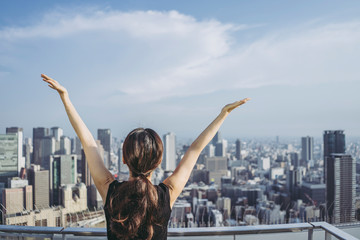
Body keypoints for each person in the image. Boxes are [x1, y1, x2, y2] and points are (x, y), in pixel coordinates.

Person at [41, 73, 250, 240]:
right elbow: (195, 150)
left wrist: (65, 98)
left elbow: (87, 142)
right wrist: (223, 114)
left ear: (124, 159)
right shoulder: (166, 195)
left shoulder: (110, 191)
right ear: (159, 162)